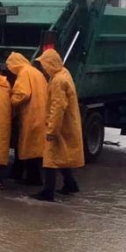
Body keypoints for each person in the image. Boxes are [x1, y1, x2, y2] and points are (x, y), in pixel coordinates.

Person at [33, 49, 84, 201]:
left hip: (59, 125)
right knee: (61, 155)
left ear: (50, 64)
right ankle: (70, 184)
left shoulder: (57, 81)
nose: (42, 68)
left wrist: (52, 130)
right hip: (67, 123)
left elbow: (58, 107)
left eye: (43, 64)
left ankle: (48, 192)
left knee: (50, 158)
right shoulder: (63, 73)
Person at [6, 51, 49, 186]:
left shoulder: (24, 73)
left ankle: (33, 179)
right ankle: (20, 174)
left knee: (29, 147)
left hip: (31, 114)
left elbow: (23, 94)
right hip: (41, 113)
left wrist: (10, 102)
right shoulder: (37, 72)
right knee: (33, 146)